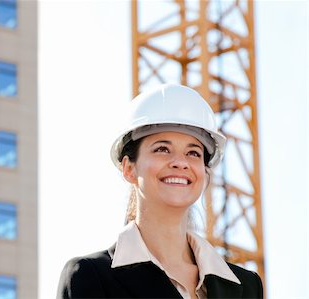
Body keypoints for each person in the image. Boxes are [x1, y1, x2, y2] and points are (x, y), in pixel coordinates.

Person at [56, 83, 263, 299]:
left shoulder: (246, 286)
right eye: (162, 149)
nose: (180, 163)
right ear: (128, 168)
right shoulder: (90, 276)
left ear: (205, 173)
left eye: (193, 153)